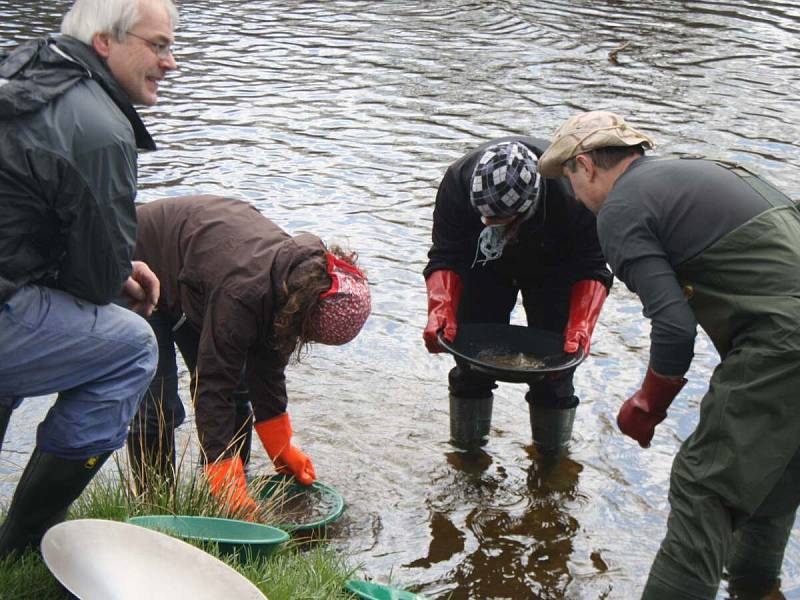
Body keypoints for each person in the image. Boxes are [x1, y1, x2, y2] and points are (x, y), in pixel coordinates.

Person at [539, 110, 800, 599]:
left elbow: (675, 328)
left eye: (570, 180)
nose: (574, 196)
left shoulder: (621, 207)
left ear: (586, 165)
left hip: (782, 344)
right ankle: (759, 591)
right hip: (786, 339)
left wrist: (648, 404)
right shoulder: (703, 174)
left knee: (703, 488)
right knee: (772, 479)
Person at [0, 0, 179, 558]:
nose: (170, 63)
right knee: (129, 347)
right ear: (105, 42)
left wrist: (108, 266)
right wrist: (115, 270)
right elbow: (98, 283)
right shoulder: (99, 127)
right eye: (158, 45)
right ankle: (25, 542)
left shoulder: (23, 67)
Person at [130, 195, 371, 517]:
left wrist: (282, 447)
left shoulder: (297, 282)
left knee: (239, 387)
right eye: (307, 334)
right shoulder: (244, 295)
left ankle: (222, 496)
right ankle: (154, 508)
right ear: (303, 311)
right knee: (157, 404)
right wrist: (222, 473)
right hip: (142, 262)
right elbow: (213, 387)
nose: (303, 340)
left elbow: (267, 368)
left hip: (197, 277)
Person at [423, 137, 612, 454]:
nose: (488, 223)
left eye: (498, 220)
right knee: (470, 366)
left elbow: (592, 266)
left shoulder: (573, 193)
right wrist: (440, 310)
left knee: (557, 368)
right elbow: (446, 255)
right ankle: (466, 456)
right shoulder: (457, 181)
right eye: (483, 216)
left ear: (530, 205)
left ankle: (551, 459)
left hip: (555, 265)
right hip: (482, 264)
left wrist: (581, 325)